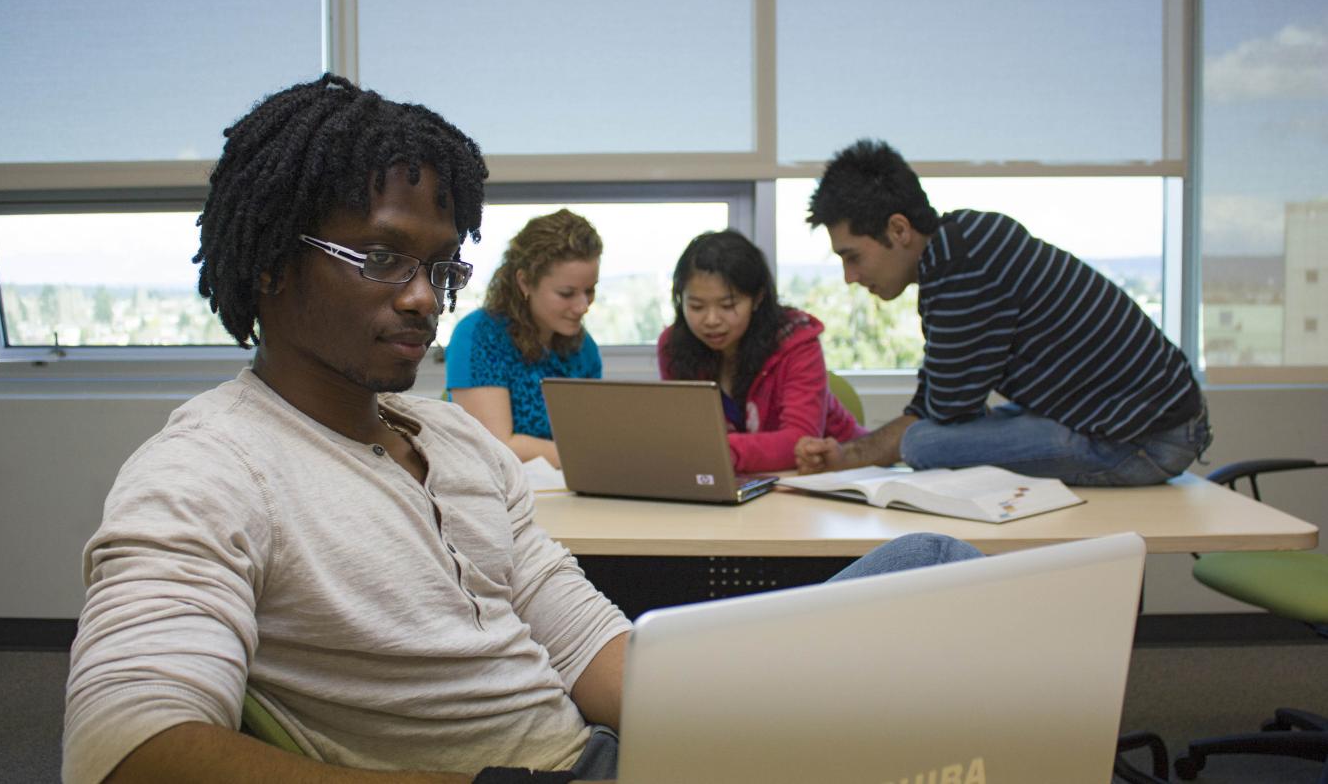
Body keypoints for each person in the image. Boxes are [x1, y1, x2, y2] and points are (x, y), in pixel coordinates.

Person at [62, 75, 982, 784]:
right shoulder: (208, 467)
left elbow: (584, 641)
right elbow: (126, 745)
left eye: (439, 268)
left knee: (932, 565)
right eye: (382, 257)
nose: (423, 297)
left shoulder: (455, 442)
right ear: (269, 263)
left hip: (614, 747)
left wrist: (738, 715)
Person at [795, 139, 1211, 487]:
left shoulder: (964, 267)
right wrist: (852, 454)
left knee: (924, 445)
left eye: (852, 257)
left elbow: (943, 416)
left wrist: (848, 457)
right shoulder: (958, 250)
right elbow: (938, 400)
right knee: (929, 436)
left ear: (899, 230)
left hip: (1142, 439)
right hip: (1134, 420)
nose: (850, 277)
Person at [657, 230, 867, 472]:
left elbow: (799, 441)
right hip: (747, 481)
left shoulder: (796, 341)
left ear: (757, 299)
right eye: (696, 306)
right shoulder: (673, 346)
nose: (711, 320)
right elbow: (686, 434)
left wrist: (719, 451)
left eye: (728, 305)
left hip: (840, 477)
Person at [445, 209, 602, 468]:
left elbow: (588, 438)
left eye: (590, 290)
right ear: (525, 282)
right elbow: (496, 446)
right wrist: (587, 457)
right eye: (566, 293)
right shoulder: (479, 336)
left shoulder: (583, 348)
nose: (583, 306)